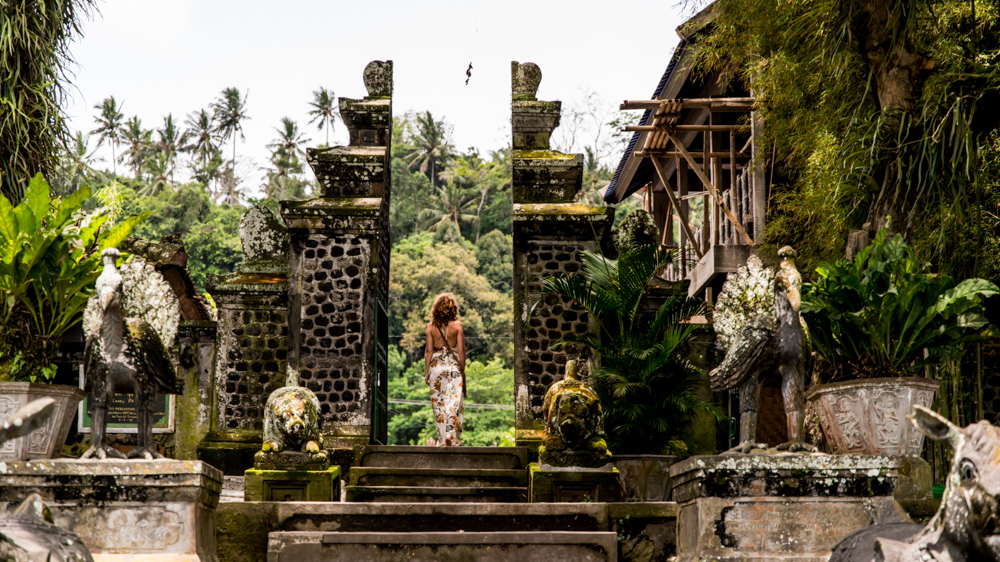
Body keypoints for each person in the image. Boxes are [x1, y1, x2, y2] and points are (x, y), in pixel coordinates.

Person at [424, 293, 466, 447]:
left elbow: (428, 351)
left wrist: (427, 371)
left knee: (439, 403)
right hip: (453, 367)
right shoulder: (458, 326)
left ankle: (442, 440)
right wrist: (462, 367)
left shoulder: (430, 327)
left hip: (436, 366)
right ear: (453, 308)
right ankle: (451, 436)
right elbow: (461, 350)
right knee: (453, 402)